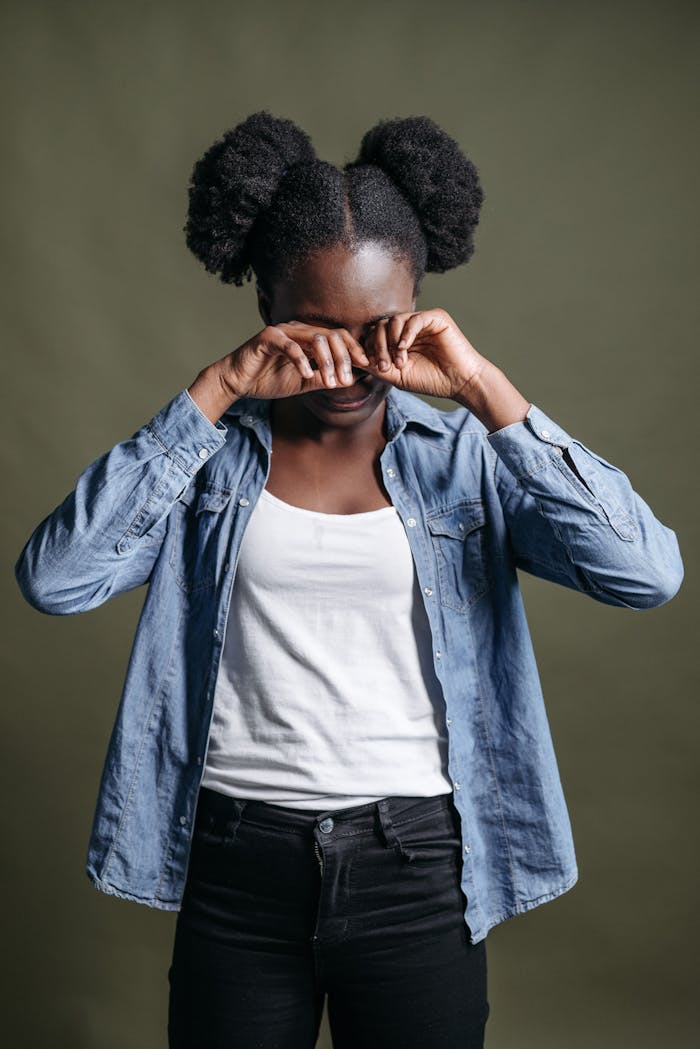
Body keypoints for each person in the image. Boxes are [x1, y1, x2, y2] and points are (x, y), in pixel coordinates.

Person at [14, 111, 684, 1049]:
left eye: (378, 326)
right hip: (235, 861)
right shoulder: (203, 458)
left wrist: (487, 388)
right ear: (265, 304)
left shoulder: (467, 458)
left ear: (418, 301)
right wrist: (215, 391)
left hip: (418, 867)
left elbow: (647, 573)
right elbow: (56, 579)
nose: (350, 360)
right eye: (314, 324)